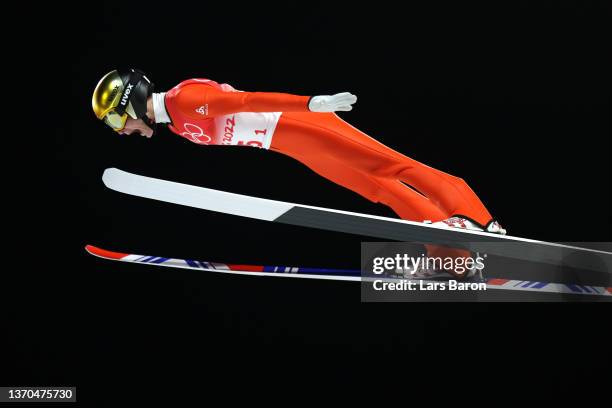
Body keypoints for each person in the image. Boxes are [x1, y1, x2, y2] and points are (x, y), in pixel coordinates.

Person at [92, 68, 506, 277]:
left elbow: (248, 101)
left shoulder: (185, 101)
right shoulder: (177, 124)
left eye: (116, 122)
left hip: (301, 125)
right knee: (375, 188)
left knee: (391, 165)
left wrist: (311, 104)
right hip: (289, 145)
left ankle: (480, 222)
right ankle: (447, 244)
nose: (122, 131)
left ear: (130, 103)